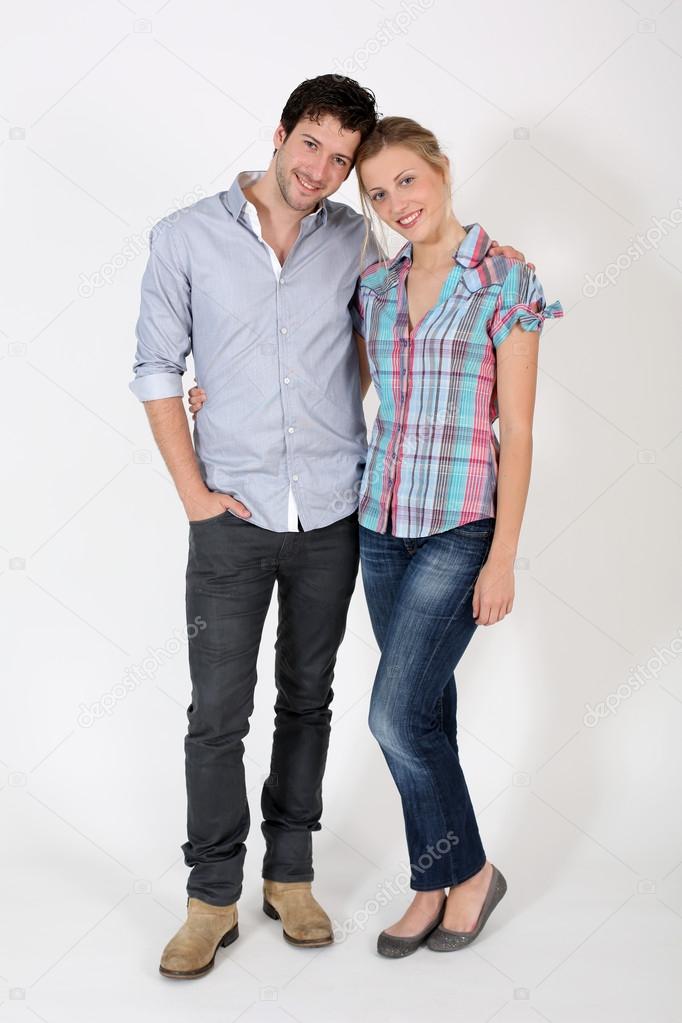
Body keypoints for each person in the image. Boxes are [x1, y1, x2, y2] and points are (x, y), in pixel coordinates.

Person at [133, 75, 528, 979]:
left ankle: (293, 875)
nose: (323, 169)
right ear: (281, 134)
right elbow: (156, 367)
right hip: (230, 513)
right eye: (313, 144)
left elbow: (396, 320)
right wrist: (195, 491)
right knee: (217, 714)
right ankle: (209, 899)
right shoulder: (185, 237)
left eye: (343, 159)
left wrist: (484, 253)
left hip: (336, 511)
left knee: (311, 700)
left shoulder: (356, 240)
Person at [351, 116, 564, 958]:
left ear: (440, 168)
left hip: (460, 527)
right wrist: (217, 400)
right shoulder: (373, 286)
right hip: (379, 526)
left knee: (393, 714)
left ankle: (468, 871)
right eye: (376, 193)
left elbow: (519, 428)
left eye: (406, 179)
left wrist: (504, 552)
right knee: (424, 714)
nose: (395, 202)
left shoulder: (506, 278)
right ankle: (434, 879)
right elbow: (334, 393)